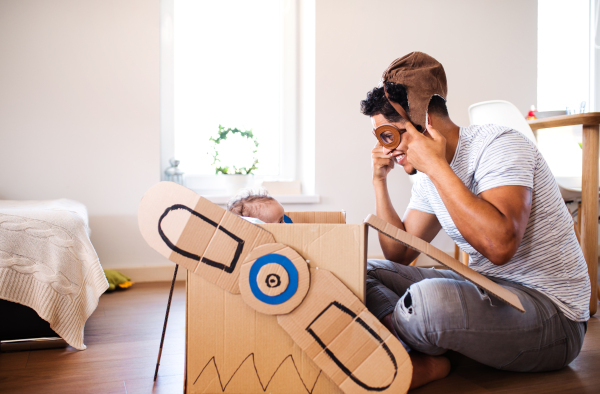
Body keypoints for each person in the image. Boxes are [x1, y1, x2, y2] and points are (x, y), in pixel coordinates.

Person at [360, 52, 590, 389]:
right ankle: (417, 347)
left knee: (430, 303)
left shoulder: (500, 146)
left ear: (425, 123)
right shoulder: (428, 176)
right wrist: (379, 181)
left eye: (390, 135)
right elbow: (400, 252)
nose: (386, 148)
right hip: (490, 291)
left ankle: (409, 344)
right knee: (361, 270)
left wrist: (437, 167)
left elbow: (500, 247)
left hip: (552, 315)